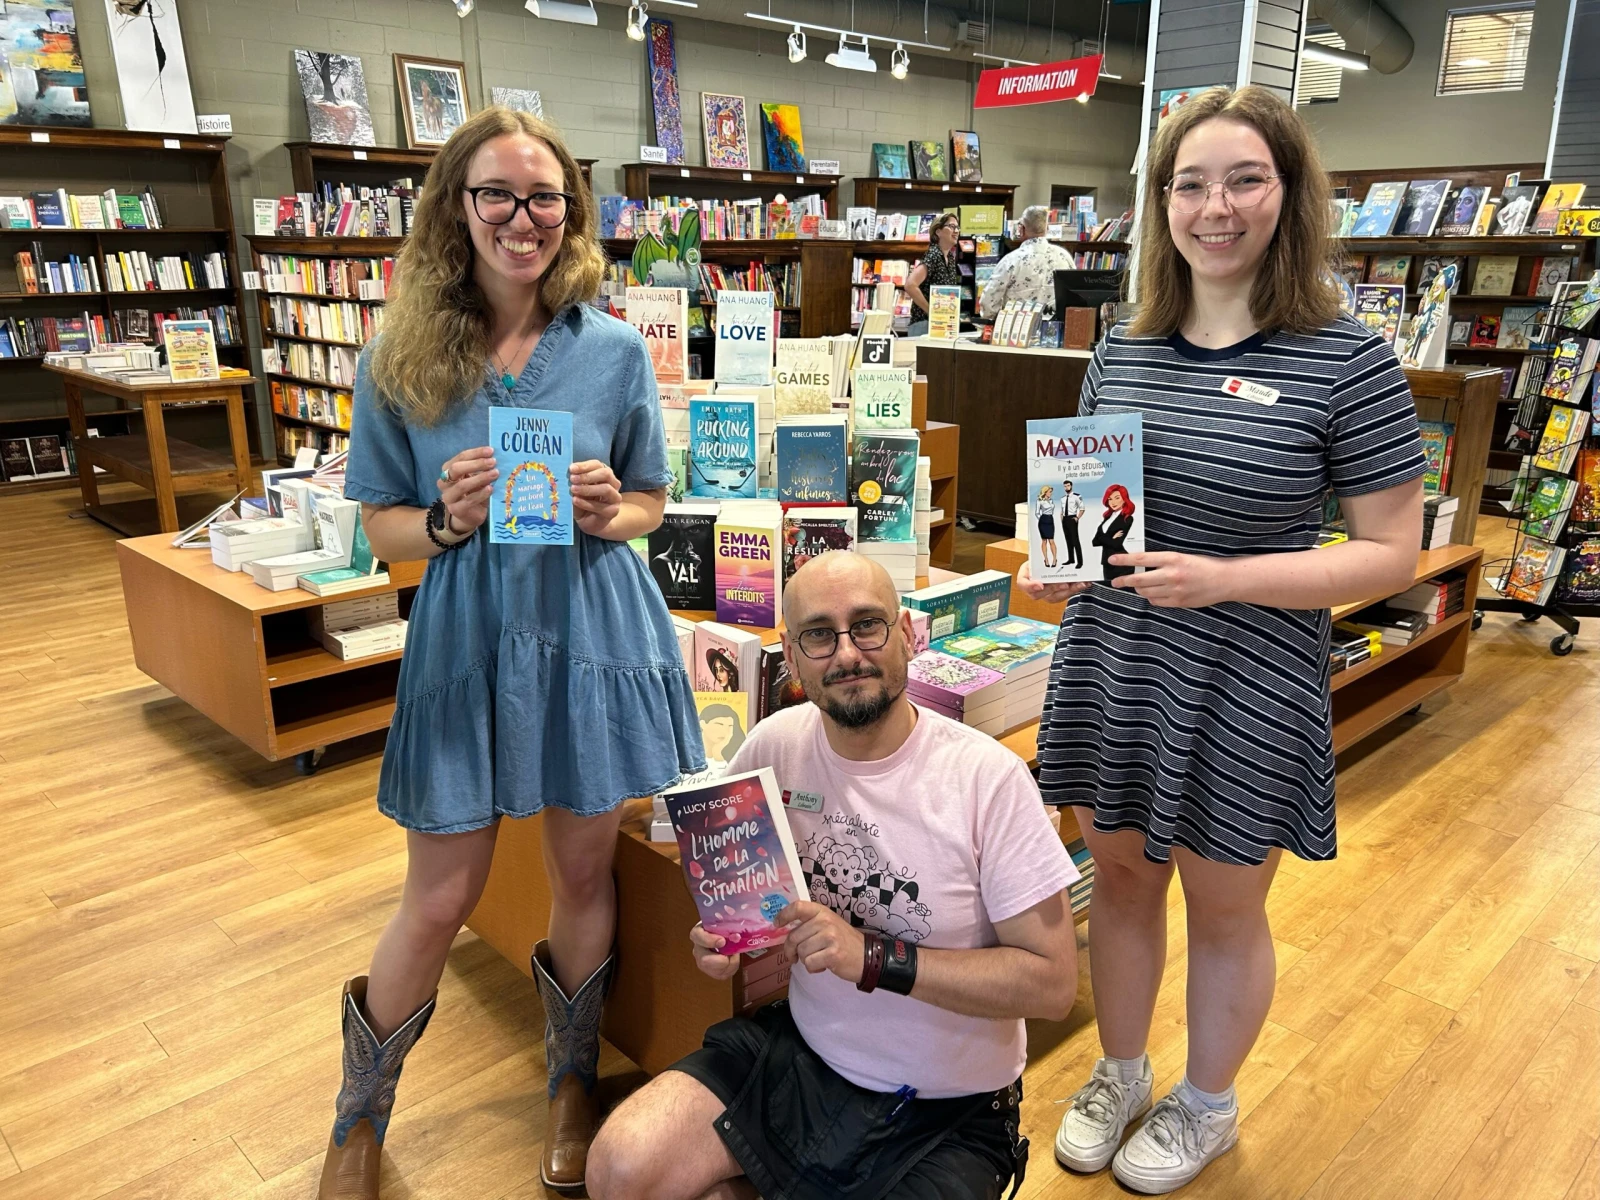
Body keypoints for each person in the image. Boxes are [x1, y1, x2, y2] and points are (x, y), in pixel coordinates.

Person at [1019, 85, 1425, 1194]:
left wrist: (1227, 579)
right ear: (1161, 202)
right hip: (1117, 658)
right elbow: (1091, 509)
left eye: (1243, 178)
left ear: (1287, 192)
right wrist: (1050, 560)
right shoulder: (1126, 345)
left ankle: (1206, 1101)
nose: (1214, 206)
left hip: (1244, 672)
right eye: (1189, 183)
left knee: (1224, 896)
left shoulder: (1347, 360)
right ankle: (1118, 1067)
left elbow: (1390, 552)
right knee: (1117, 874)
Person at [320, 106, 704, 1199]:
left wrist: (608, 511)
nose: (523, 219)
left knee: (581, 869)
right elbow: (383, 529)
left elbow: (651, 500)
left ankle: (571, 1085)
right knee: (438, 895)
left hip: (587, 623)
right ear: (457, 206)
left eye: (545, 198)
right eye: (497, 194)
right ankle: (358, 1121)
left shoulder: (615, 348)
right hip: (469, 638)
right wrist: (441, 520)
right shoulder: (396, 355)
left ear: (570, 213)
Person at [587, 551, 1082, 1200]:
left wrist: (871, 957)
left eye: (867, 625)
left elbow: (1051, 986)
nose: (847, 653)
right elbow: (745, 910)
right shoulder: (774, 745)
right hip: (801, 1057)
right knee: (619, 1167)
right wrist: (723, 943)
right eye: (820, 634)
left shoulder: (987, 779)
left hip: (948, 1107)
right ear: (791, 659)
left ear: (907, 635)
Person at [978, 204, 1075, 319]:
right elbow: (1074, 295)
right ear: (1047, 228)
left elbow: (989, 301)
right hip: (1054, 331)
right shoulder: (1064, 257)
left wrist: (997, 321)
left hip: (1016, 330)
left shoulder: (1010, 261)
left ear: (1021, 228)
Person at [904, 213, 963, 336]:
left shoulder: (950, 258)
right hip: (924, 324)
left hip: (943, 325)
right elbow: (910, 285)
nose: (956, 231)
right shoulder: (934, 254)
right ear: (938, 231)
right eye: (951, 226)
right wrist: (931, 311)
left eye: (957, 227)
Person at [1093, 484, 1136, 582]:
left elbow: (1116, 543)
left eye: (1117, 498)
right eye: (1110, 499)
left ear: (1124, 499)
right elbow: (1094, 541)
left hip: (1122, 562)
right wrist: (1110, 538)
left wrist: (1102, 538)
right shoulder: (1107, 518)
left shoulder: (1127, 518)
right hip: (1106, 561)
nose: (1113, 502)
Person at [1061, 479, 1085, 570]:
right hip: (1065, 519)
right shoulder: (1063, 498)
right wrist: (1061, 517)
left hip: (1072, 518)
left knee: (1075, 540)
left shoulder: (1077, 496)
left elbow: (1082, 508)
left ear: (1071, 486)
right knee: (1068, 540)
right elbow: (1062, 510)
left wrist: (1077, 517)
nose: (1066, 487)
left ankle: (1080, 562)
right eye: (1065, 486)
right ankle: (1071, 559)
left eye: (1068, 485)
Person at [1035, 483, 1059, 568]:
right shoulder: (1040, 501)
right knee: (1044, 541)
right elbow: (1037, 512)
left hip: (1050, 520)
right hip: (1043, 520)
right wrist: (1041, 520)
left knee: (1051, 540)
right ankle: (1046, 559)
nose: (1051, 493)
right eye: (1049, 492)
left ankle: (1054, 559)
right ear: (1045, 492)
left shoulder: (1051, 500)